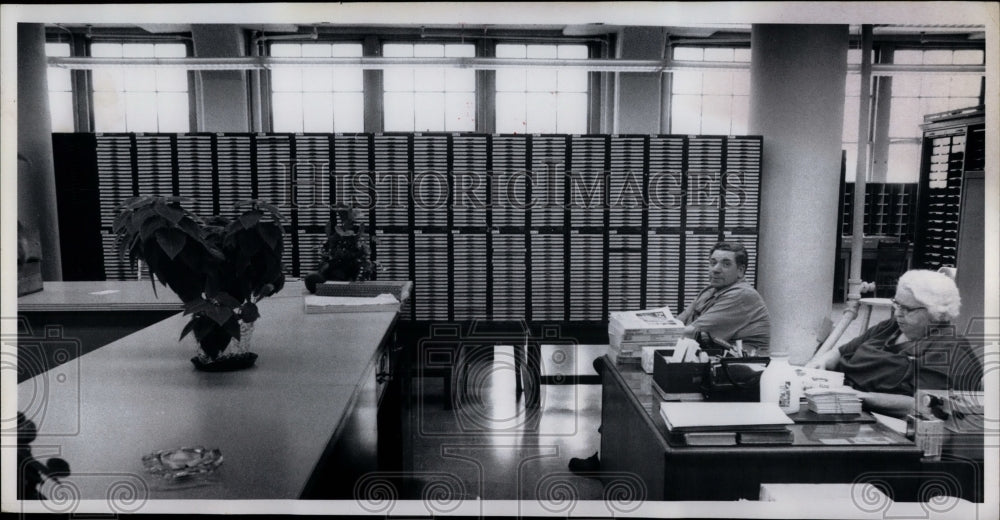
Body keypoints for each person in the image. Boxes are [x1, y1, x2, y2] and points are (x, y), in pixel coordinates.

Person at [569, 241, 772, 473]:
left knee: (632, 387)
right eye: (713, 262)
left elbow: (686, 331)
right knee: (617, 376)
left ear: (741, 271)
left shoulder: (742, 296)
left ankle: (626, 463)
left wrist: (639, 333)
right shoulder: (710, 292)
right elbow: (678, 322)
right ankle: (611, 456)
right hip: (705, 365)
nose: (716, 269)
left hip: (736, 378)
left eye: (726, 264)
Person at [806, 269, 983, 418]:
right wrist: (819, 363)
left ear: (936, 312)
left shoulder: (948, 347)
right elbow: (842, 351)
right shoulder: (891, 327)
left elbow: (924, 404)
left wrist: (857, 397)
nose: (898, 313)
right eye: (897, 304)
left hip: (881, 419)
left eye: (908, 309)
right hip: (835, 400)